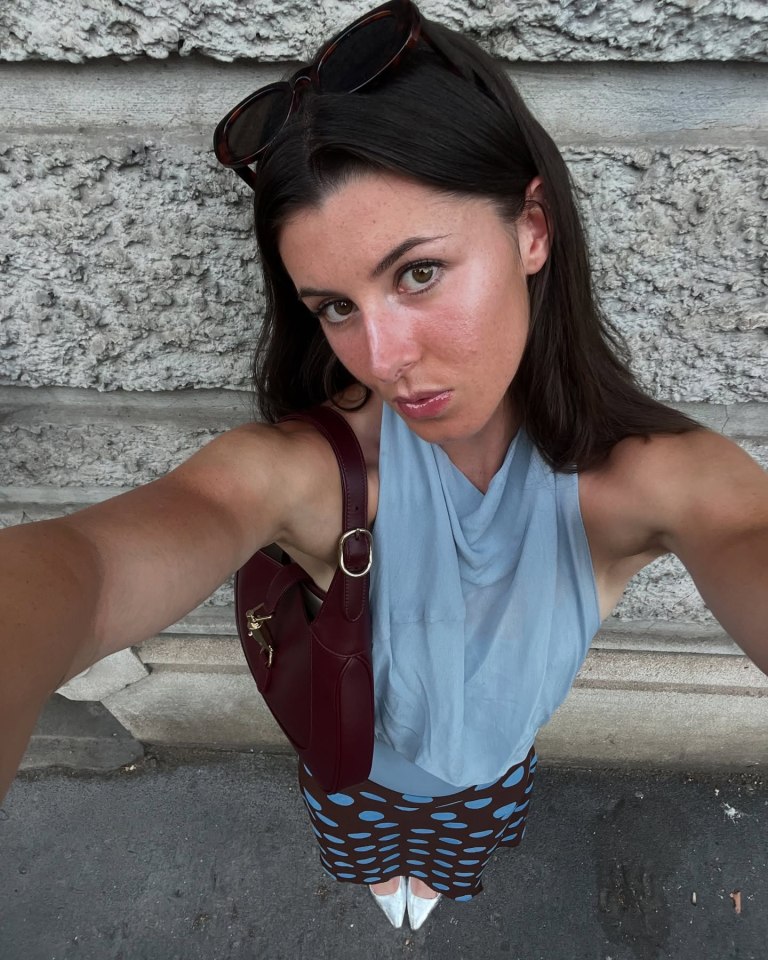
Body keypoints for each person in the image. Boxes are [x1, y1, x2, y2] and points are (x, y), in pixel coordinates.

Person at [1, 0, 766, 933]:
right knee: (367, 853)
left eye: (417, 273)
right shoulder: (316, 472)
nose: (382, 357)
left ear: (531, 229)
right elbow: (91, 568)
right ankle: (388, 870)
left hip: (491, 776)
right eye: (335, 306)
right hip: (349, 768)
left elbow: (742, 527)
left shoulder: (639, 482)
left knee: (452, 855)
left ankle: (428, 878)